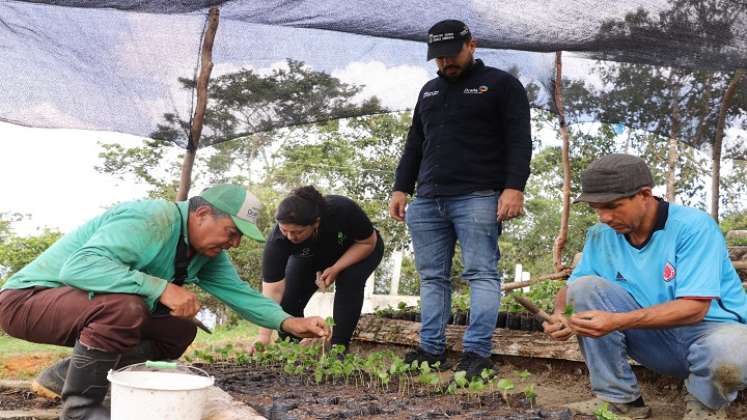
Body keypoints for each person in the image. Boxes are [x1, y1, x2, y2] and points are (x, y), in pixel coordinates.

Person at [0, 184, 329, 420]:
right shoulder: (150, 218)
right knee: (125, 308)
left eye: (240, 236)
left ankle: (63, 377)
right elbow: (80, 267)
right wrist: (161, 288)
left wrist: (289, 322)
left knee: (178, 330)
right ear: (201, 214)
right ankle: (80, 409)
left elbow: (241, 295)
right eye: (231, 232)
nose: (235, 243)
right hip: (27, 302)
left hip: (83, 307)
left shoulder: (206, 253)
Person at [543, 154, 747, 420]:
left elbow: (694, 309)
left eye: (612, 206)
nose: (603, 217)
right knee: (583, 288)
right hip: (653, 340)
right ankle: (619, 400)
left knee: (734, 349)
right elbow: (573, 287)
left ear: (645, 194)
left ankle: (705, 406)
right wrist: (563, 313)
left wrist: (616, 320)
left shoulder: (693, 228)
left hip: (709, 335)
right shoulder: (601, 235)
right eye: (596, 208)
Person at [388, 19, 532, 379]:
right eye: (437, 58)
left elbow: (519, 139)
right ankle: (430, 349)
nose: (445, 63)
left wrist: (514, 187)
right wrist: (400, 187)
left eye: (451, 54)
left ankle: (476, 353)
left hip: (479, 196)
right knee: (432, 278)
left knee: (481, 274)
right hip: (427, 200)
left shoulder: (501, 85)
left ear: (472, 45)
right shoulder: (429, 91)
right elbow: (415, 144)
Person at [254, 186, 384, 352]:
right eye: (284, 230)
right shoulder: (278, 241)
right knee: (289, 297)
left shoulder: (342, 210)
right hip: (311, 255)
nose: (290, 236)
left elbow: (367, 242)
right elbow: (272, 292)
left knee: (350, 280)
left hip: (359, 248)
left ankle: (339, 347)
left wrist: (337, 268)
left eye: (297, 231)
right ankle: (289, 348)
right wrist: (263, 337)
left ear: (316, 222)